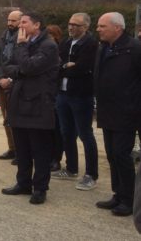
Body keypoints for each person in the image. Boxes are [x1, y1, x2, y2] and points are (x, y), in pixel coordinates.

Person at [1, 11, 59, 205]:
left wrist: (22, 51)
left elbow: (29, 67)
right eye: (20, 23)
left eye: (24, 22)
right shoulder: (24, 44)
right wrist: (22, 70)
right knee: (22, 149)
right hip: (19, 103)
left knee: (40, 151)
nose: (20, 26)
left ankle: (40, 188)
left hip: (38, 106)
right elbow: (8, 66)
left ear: (37, 25)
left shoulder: (48, 46)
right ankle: (23, 183)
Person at [93, 12, 141, 217]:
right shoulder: (104, 47)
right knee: (112, 154)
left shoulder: (134, 49)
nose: (98, 29)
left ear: (117, 28)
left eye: (102, 26)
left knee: (122, 155)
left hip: (127, 112)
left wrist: (134, 104)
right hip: (107, 110)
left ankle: (129, 200)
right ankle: (118, 194)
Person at [52, 12, 99, 190]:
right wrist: (67, 66)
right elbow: (57, 65)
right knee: (66, 132)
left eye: (76, 25)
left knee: (85, 134)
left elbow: (83, 68)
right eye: (70, 24)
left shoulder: (91, 44)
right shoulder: (65, 43)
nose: (71, 27)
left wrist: (67, 67)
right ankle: (71, 168)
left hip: (81, 96)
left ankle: (91, 174)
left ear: (85, 27)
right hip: (62, 94)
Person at [0, 10, 22, 164]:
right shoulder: (3, 37)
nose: (10, 23)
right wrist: (0, 78)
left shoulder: (24, 38)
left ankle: (21, 151)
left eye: (13, 21)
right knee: (6, 118)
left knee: (16, 119)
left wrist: (10, 79)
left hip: (16, 84)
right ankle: (12, 148)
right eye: (9, 20)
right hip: (1, 83)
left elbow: (22, 62)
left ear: (21, 21)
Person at [46, 24, 65, 172]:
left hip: (56, 93)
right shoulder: (43, 50)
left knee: (57, 130)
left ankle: (56, 158)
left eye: (51, 35)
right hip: (45, 94)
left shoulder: (60, 51)